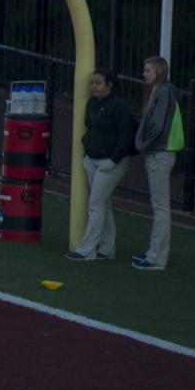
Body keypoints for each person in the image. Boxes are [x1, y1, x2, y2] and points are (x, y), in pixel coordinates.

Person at [66, 69, 136, 262]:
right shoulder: (93, 103)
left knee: (96, 204)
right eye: (92, 83)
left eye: (98, 83)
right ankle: (107, 248)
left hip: (109, 162)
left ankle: (87, 250)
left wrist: (113, 160)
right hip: (93, 160)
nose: (93, 87)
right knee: (103, 204)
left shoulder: (118, 105)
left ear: (109, 85)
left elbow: (126, 134)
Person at [133, 57, 183, 271]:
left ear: (158, 71)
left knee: (161, 208)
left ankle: (157, 258)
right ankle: (154, 253)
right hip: (158, 153)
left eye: (148, 70)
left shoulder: (164, 92)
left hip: (160, 154)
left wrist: (144, 143)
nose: (144, 74)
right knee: (159, 207)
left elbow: (157, 124)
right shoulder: (160, 91)